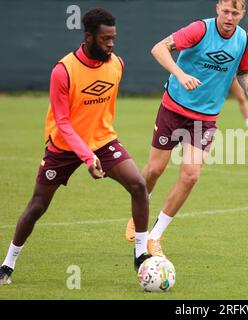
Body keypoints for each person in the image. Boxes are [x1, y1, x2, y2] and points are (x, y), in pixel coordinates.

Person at [0, 8, 150, 286]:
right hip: (64, 146)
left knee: (139, 185)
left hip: (103, 140)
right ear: (89, 36)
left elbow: (104, 111)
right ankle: (7, 264)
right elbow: (63, 122)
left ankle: (141, 254)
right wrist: (87, 156)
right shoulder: (63, 71)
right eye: (105, 39)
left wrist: (97, 148)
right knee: (37, 206)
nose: (111, 44)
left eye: (113, 38)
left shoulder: (117, 64)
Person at [125, 0, 248, 257]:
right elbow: (159, 48)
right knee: (154, 170)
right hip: (174, 108)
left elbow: (244, 72)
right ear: (218, 8)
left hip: (206, 117)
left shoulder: (245, 40)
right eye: (226, 11)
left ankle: (154, 236)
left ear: (243, 14)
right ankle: (139, 212)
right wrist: (179, 74)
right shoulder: (200, 29)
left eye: (236, 13)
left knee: (190, 176)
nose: (229, 17)